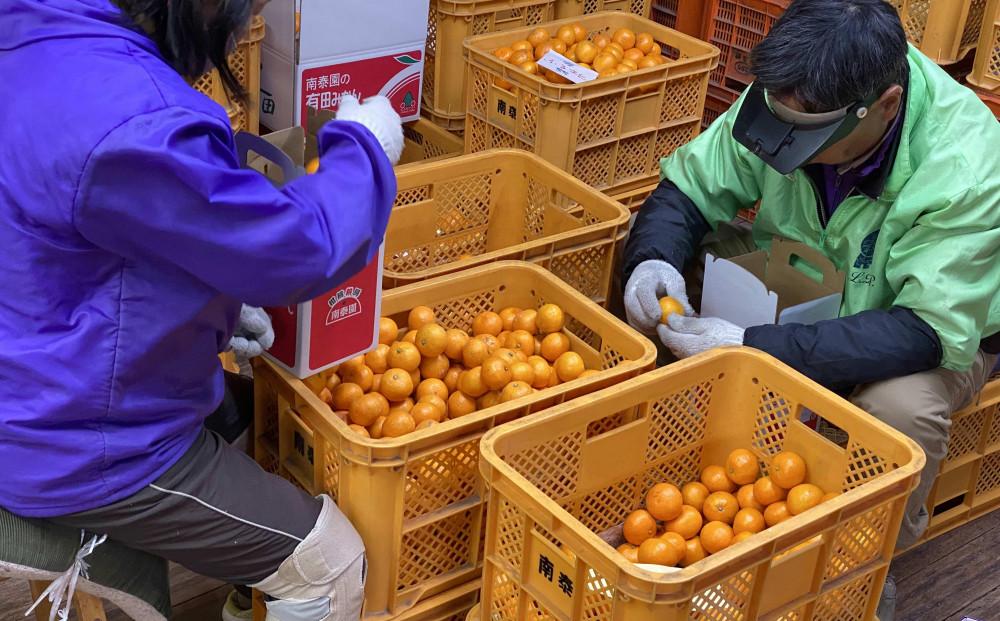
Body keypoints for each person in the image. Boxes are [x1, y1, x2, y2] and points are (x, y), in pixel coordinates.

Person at [0, 0, 403, 620]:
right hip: (77, 441)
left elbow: (82, 236)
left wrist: (207, 304)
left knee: (249, 422)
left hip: (35, 375)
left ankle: (250, 591)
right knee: (333, 565)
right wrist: (364, 151)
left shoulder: (35, 35)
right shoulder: (132, 115)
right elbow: (295, 249)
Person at [622, 0, 998, 617]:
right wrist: (654, 258)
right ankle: (668, 446)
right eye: (778, 119)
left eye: (810, 134)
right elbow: (689, 189)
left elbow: (926, 331)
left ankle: (863, 562)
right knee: (656, 265)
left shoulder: (965, 167)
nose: (785, 143)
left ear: (885, 105)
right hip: (804, 273)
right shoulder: (788, 99)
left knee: (896, 411)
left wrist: (753, 348)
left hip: (920, 327)